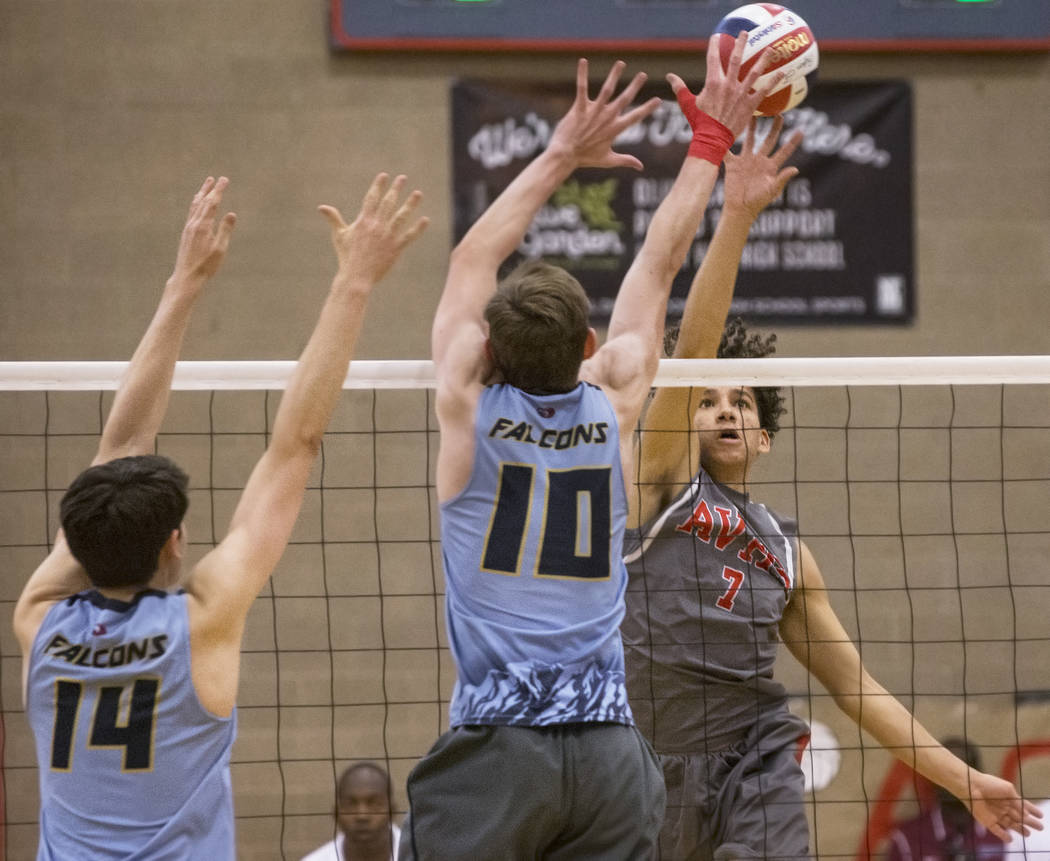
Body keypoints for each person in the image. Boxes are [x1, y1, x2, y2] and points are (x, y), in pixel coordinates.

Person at [621, 118, 1045, 859]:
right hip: (644, 761)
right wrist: (737, 218)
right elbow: (692, 348)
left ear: (764, 436)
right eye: (710, 398)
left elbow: (856, 687)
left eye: (744, 402)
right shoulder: (661, 483)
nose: (724, 408)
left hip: (751, 754)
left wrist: (962, 778)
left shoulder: (787, 552)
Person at [402, 34, 779, 860]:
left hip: (500, 751)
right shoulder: (613, 404)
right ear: (587, 345)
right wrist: (709, 142)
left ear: (488, 351)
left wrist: (561, 153)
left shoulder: (465, 407)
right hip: (611, 755)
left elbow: (473, 256)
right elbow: (660, 263)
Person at [14, 173, 428, 859]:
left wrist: (183, 283)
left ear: (78, 543)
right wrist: (353, 283)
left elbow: (118, 448)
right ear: (175, 542)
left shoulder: (37, 617)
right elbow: (294, 445)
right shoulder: (200, 621)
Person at [884, 738, 1007, 860]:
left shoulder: (1006, 832)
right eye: (946, 774)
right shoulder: (907, 838)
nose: (953, 782)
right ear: (932, 776)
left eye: (961, 773)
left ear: (977, 774)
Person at [302, 762, 401, 861]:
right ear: (336, 813)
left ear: (392, 811)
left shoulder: (415, 853)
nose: (362, 815)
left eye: (374, 803)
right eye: (350, 804)